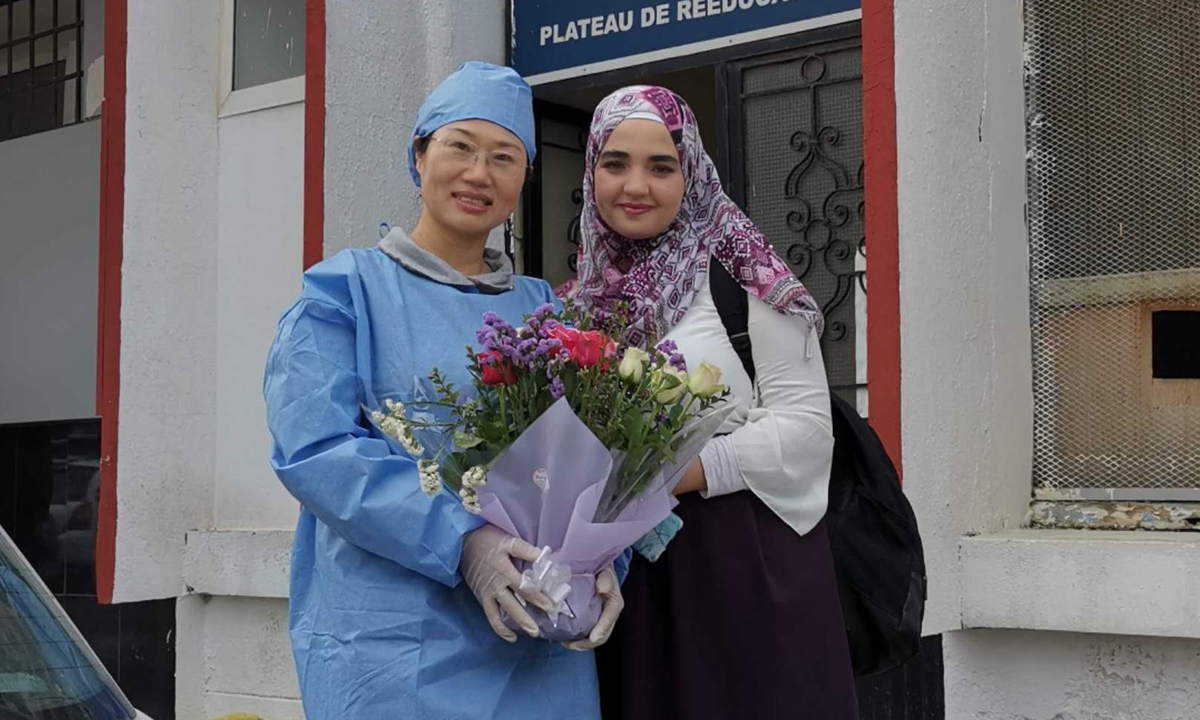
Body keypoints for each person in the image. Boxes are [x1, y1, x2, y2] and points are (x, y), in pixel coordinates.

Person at [263, 62, 622, 720]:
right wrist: (463, 540)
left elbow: (591, 458)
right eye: (460, 147)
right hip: (391, 654)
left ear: (525, 178)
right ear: (419, 155)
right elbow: (315, 450)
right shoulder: (343, 295)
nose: (479, 173)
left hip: (535, 645)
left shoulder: (549, 315)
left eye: (504, 157)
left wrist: (602, 558)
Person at [572, 86, 860, 719]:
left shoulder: (745, 276)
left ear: (692, 172)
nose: (635, 185)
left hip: (745, 567)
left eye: (661, 166)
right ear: (591, 169)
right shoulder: (585, 299)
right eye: (615, 163)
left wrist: (674, 473)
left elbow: (809, 432)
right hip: (633, 579)